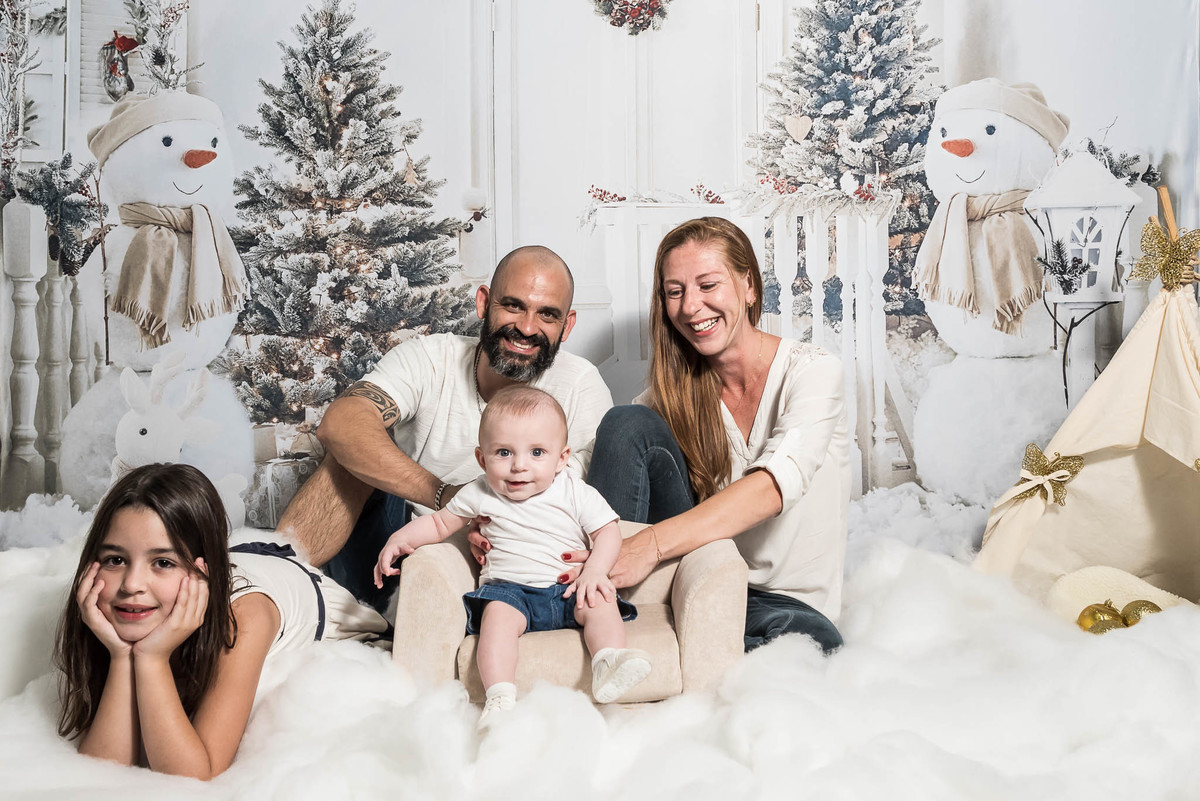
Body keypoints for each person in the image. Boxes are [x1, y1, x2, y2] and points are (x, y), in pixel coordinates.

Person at [276, 246, 613, 609]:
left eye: (547, 314)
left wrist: (487, 525)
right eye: (513, 306)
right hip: (398, 552)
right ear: (483, 303)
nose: (527, 328)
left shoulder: (580, 385)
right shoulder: (430, 358)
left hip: (511, 572)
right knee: (352, 448)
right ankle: (275, 588)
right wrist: (445, 497)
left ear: (567, 325)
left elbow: (579, 504)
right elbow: (339, 424)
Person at [582, 216, 850, 654]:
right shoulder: (670, 396)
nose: (691, 306)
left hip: (784, 605)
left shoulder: (813, 371)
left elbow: (773, 487)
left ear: (749, 287)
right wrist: (500, 507)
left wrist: (649, 545)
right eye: (675, 292)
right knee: (626, 423)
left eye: (708, 285)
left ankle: (647, 637)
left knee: (805, 644)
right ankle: (601, 611)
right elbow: (584, 466)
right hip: (697, 578)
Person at [53, 463, 387, 779]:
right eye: (115, 559)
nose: (131, 584)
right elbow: (99, 775)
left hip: (328, 617)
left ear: (201, 574)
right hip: (249, 557)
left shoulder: (243, 616)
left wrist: (151, 657)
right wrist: (120, 655)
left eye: (163, 563)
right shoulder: (116, 605)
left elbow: (196, 777)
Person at [374, 386, 650, 729]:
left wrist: (594, 570)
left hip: (569, 587)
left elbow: (608, 531)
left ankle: (608, 661)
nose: (519, 466)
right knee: (497, 622)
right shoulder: (479, 492)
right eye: (504, 452)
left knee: (600, 602)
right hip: (510, 592)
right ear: (482, 459)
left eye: (537, 452)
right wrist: (399, 538)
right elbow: (439, 523)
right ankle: (500, 696)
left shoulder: (574, 490)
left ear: (561, 458)